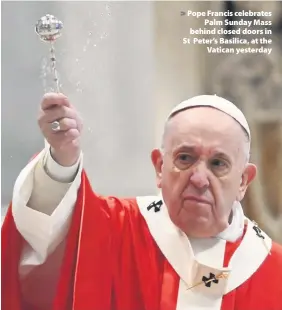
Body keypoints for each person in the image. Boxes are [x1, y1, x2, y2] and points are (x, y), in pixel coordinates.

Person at [2, 93, 282, 310]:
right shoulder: (116, 228)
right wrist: (61, 161)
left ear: (243, 181)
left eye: (218, 163)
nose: (199, 178)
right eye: (185, 158)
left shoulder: (272, 269)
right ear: (160, 167)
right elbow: (48, 239)